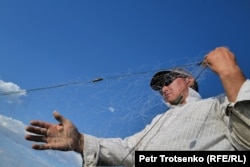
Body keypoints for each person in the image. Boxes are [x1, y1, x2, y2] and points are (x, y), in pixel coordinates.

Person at [25, 47, 250, 167]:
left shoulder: (218, 105)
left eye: (168, 80)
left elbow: (246, 139)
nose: (163, 88)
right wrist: (81, 142)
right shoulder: (157, 122)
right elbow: (130, 152)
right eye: (160, 86)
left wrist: (230, 72)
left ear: (189, 80)